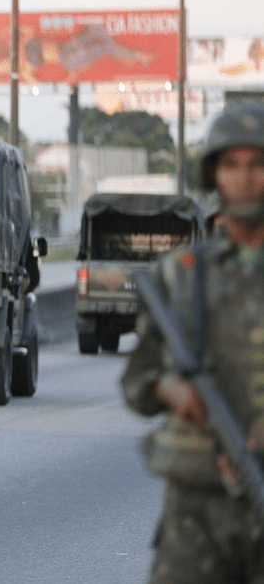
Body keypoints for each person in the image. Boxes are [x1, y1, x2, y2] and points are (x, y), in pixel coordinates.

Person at [121, 103, 264, 583]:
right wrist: (173, 390)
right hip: (196, 509)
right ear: (215, 175)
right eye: (232, 165)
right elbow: (136, 382)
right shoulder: (180, 276)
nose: (246, 179)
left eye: (259, 163)